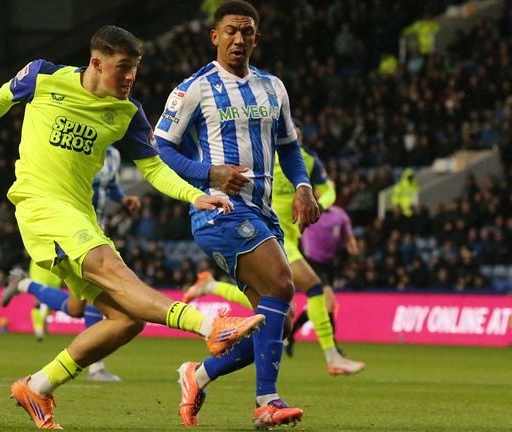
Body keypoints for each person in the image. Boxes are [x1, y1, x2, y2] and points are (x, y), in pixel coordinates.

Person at [0, 25, 264, 429]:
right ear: (96, 63)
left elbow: (154, 168)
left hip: (79, 214)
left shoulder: (127, 113)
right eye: (122, 68)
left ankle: (36, 386)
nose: (130, 78)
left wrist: (194, 194)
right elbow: (2, 96)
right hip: (40, 205)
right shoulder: (43, 76)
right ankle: (211, 327)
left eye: (135, 69)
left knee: (125, 319)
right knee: (114, 270)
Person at [155, 2, 320, 427]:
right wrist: (207, 172)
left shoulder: (273, 87)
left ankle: (198, 374)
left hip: (263, 214)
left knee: (272, 327)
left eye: (247, 32)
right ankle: (267, 401)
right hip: (220, 212)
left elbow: (288, 147)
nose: (238, 39)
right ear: (215, 36)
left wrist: (302, 185)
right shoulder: (195, 88)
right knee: (283, 285)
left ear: (256, 38)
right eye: (230, 31)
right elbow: (160, 147)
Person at [184, 130, 365, 376]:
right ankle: (331, 357)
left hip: (289, 237)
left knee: (273, 302)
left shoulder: (305, 160)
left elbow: (328, 188)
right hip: (266, 233)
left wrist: (319, 203)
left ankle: (211, 289)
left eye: (296, 134)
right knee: (313, 287)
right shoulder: (263, 153)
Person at [1, 145, 139, 382]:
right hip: (73, 230)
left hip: (97, 230)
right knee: (101, 289)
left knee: (76, 308)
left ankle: (24, 284)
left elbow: (111, 185)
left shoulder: (114, 154)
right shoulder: (79, 144)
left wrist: (123, 198)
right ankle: (96, 368)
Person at [286, 204, 360, 357]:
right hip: (313, 262)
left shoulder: (339, 214)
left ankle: (291, 334)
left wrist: (352, 244)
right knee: (330, 303)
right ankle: (333, 346)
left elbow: (348, 235)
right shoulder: (309, 208)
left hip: (330, 265)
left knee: (324, 305)